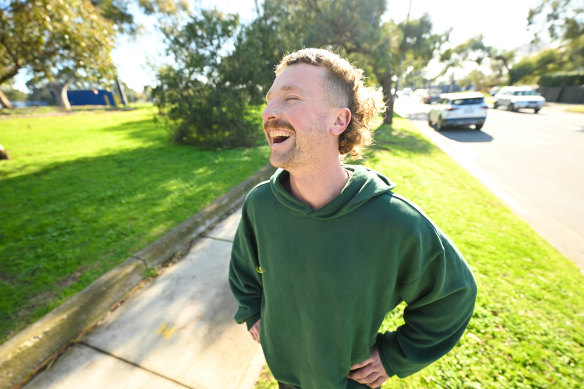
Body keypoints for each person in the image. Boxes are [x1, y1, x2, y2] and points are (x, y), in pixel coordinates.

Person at [229, 48, 477, 389]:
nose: (269, 112)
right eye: (270, 100)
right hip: (285, 375)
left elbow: (454, 294)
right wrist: (252, 312)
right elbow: (244, 271)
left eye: (291, 98)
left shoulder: (392, 221)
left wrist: (394, 355)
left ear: (339, 121)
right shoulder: (260, 205)